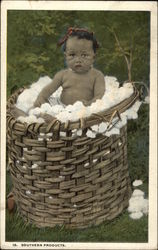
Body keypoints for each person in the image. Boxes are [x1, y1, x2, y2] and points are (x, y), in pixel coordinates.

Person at [34, 27, 105, 108]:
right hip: (61, 107)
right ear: (66, 56)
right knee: (42, 104)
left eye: (84, 55)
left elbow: (99, 96)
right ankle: (35, 116)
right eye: (72, 55)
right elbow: (49, 89)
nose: (78, 60)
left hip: (84, 109)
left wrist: (90, 103)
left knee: (97, 107)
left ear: (94, 57)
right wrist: (41, 97)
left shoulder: (97, 75)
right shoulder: (63, 75)